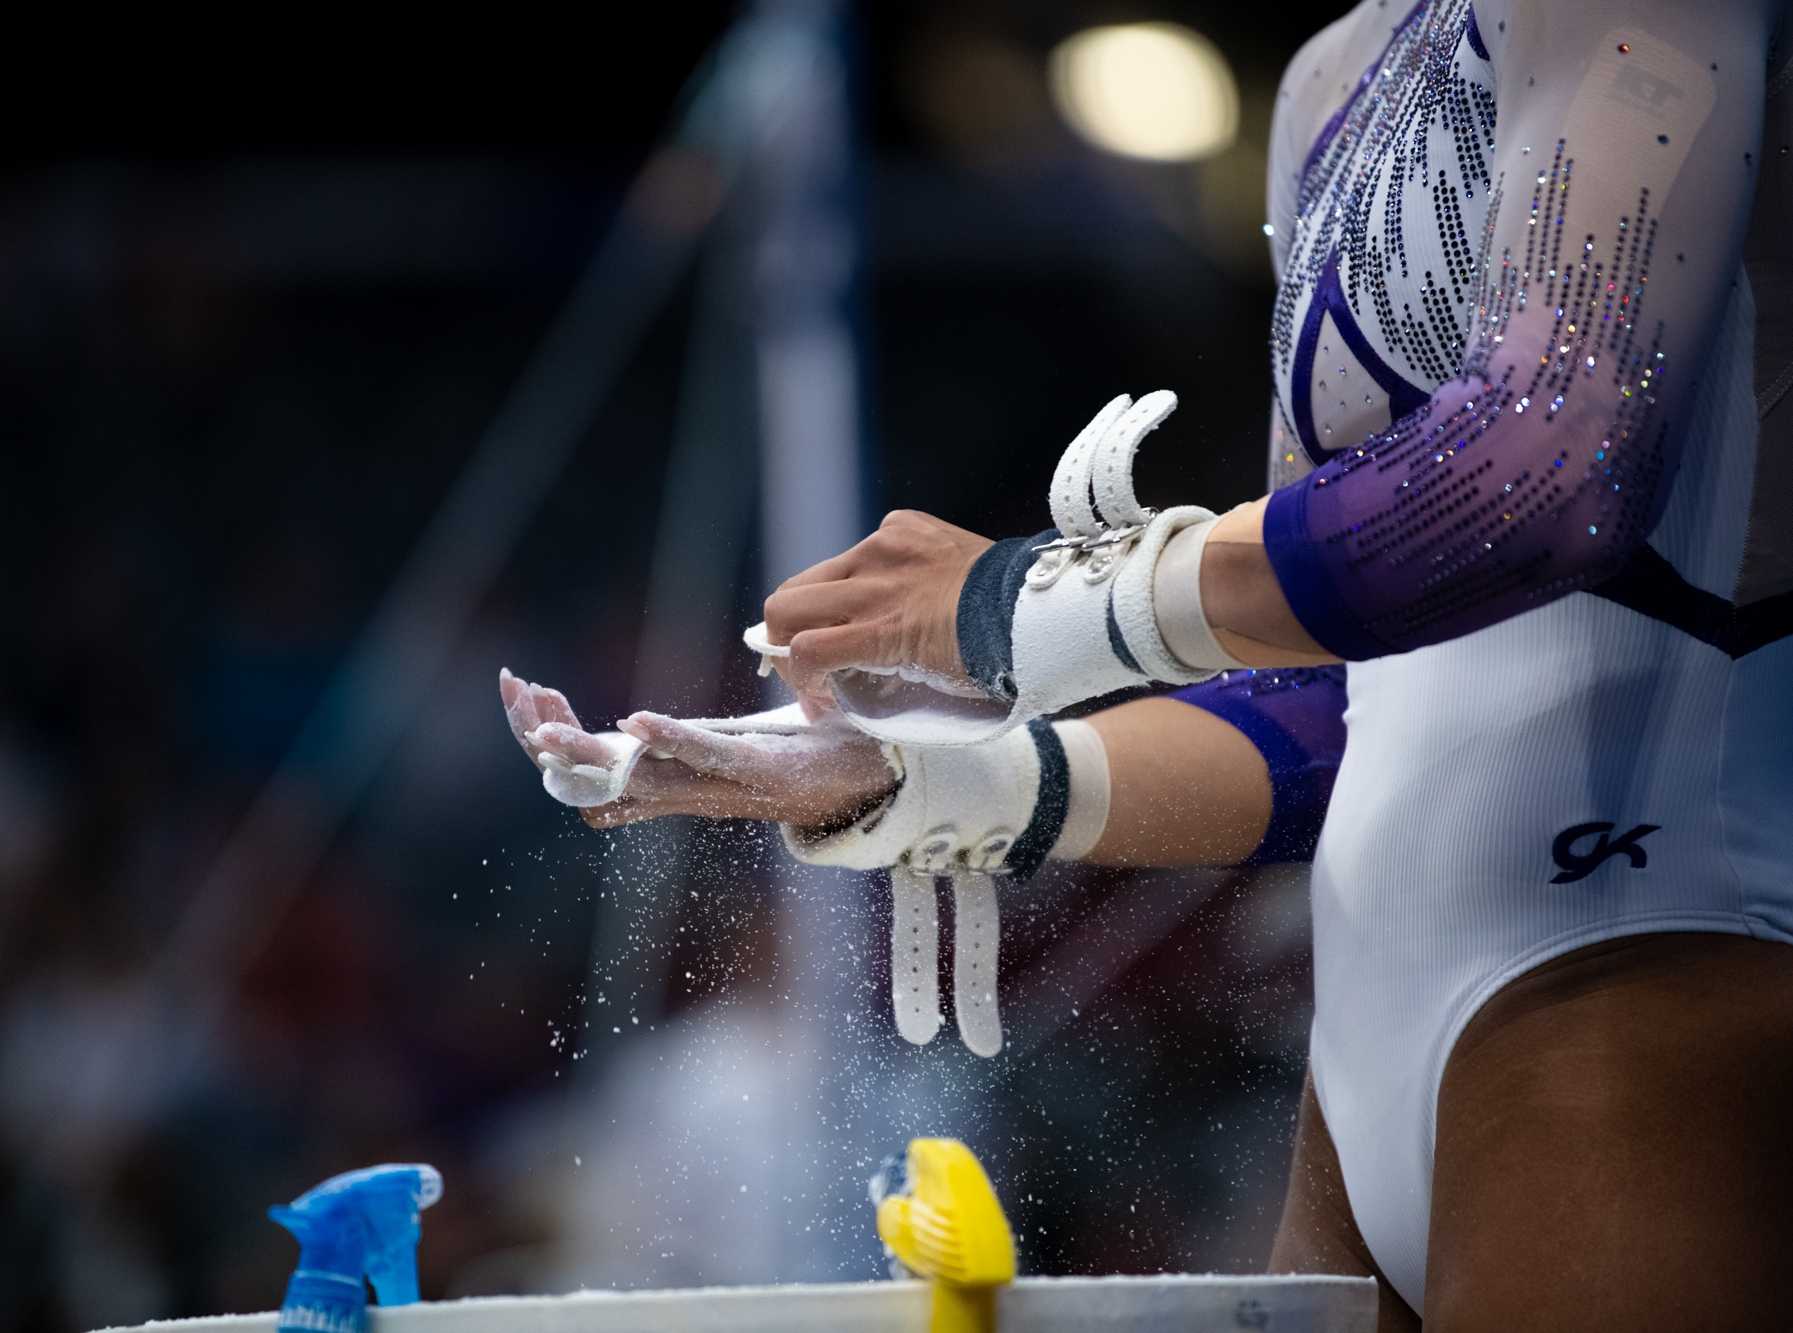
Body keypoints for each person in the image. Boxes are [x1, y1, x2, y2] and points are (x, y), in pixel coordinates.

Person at [503, 0, 1793, 1325]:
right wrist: (928, 779)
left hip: (1640, 976)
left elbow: (1543, 480)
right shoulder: (1333, 75)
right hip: (1368, 1061)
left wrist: (1019, 599)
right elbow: (1334, 694)